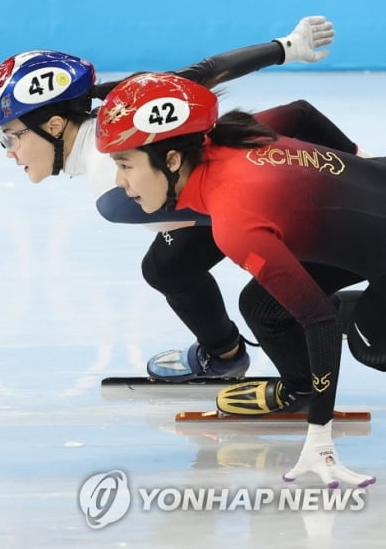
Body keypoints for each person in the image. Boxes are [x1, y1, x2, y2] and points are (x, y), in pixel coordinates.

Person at [0, 16, 363, 385]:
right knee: (166, 266)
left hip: (307, 194)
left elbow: (247, 217)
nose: (9, 152)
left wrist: (355, 188)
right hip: (289, 155)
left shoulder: (114, 192)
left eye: (10, 137)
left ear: (53, 127)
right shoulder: (123, 105)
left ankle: (350, 314)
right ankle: (224, 354)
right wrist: (285, 48)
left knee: (264, 305)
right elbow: (208, 73)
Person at [95, 71, 384, 486]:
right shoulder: (229, 136)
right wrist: (354, 162)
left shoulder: (235, 223)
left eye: (124, 164)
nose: (120, 183)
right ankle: (312, 374)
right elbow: (300, 113)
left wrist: (319, 435)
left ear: (172, 160)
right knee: (264, 307)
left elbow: (318, 321)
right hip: (373, 215)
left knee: (371, 346)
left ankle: (360, 322)